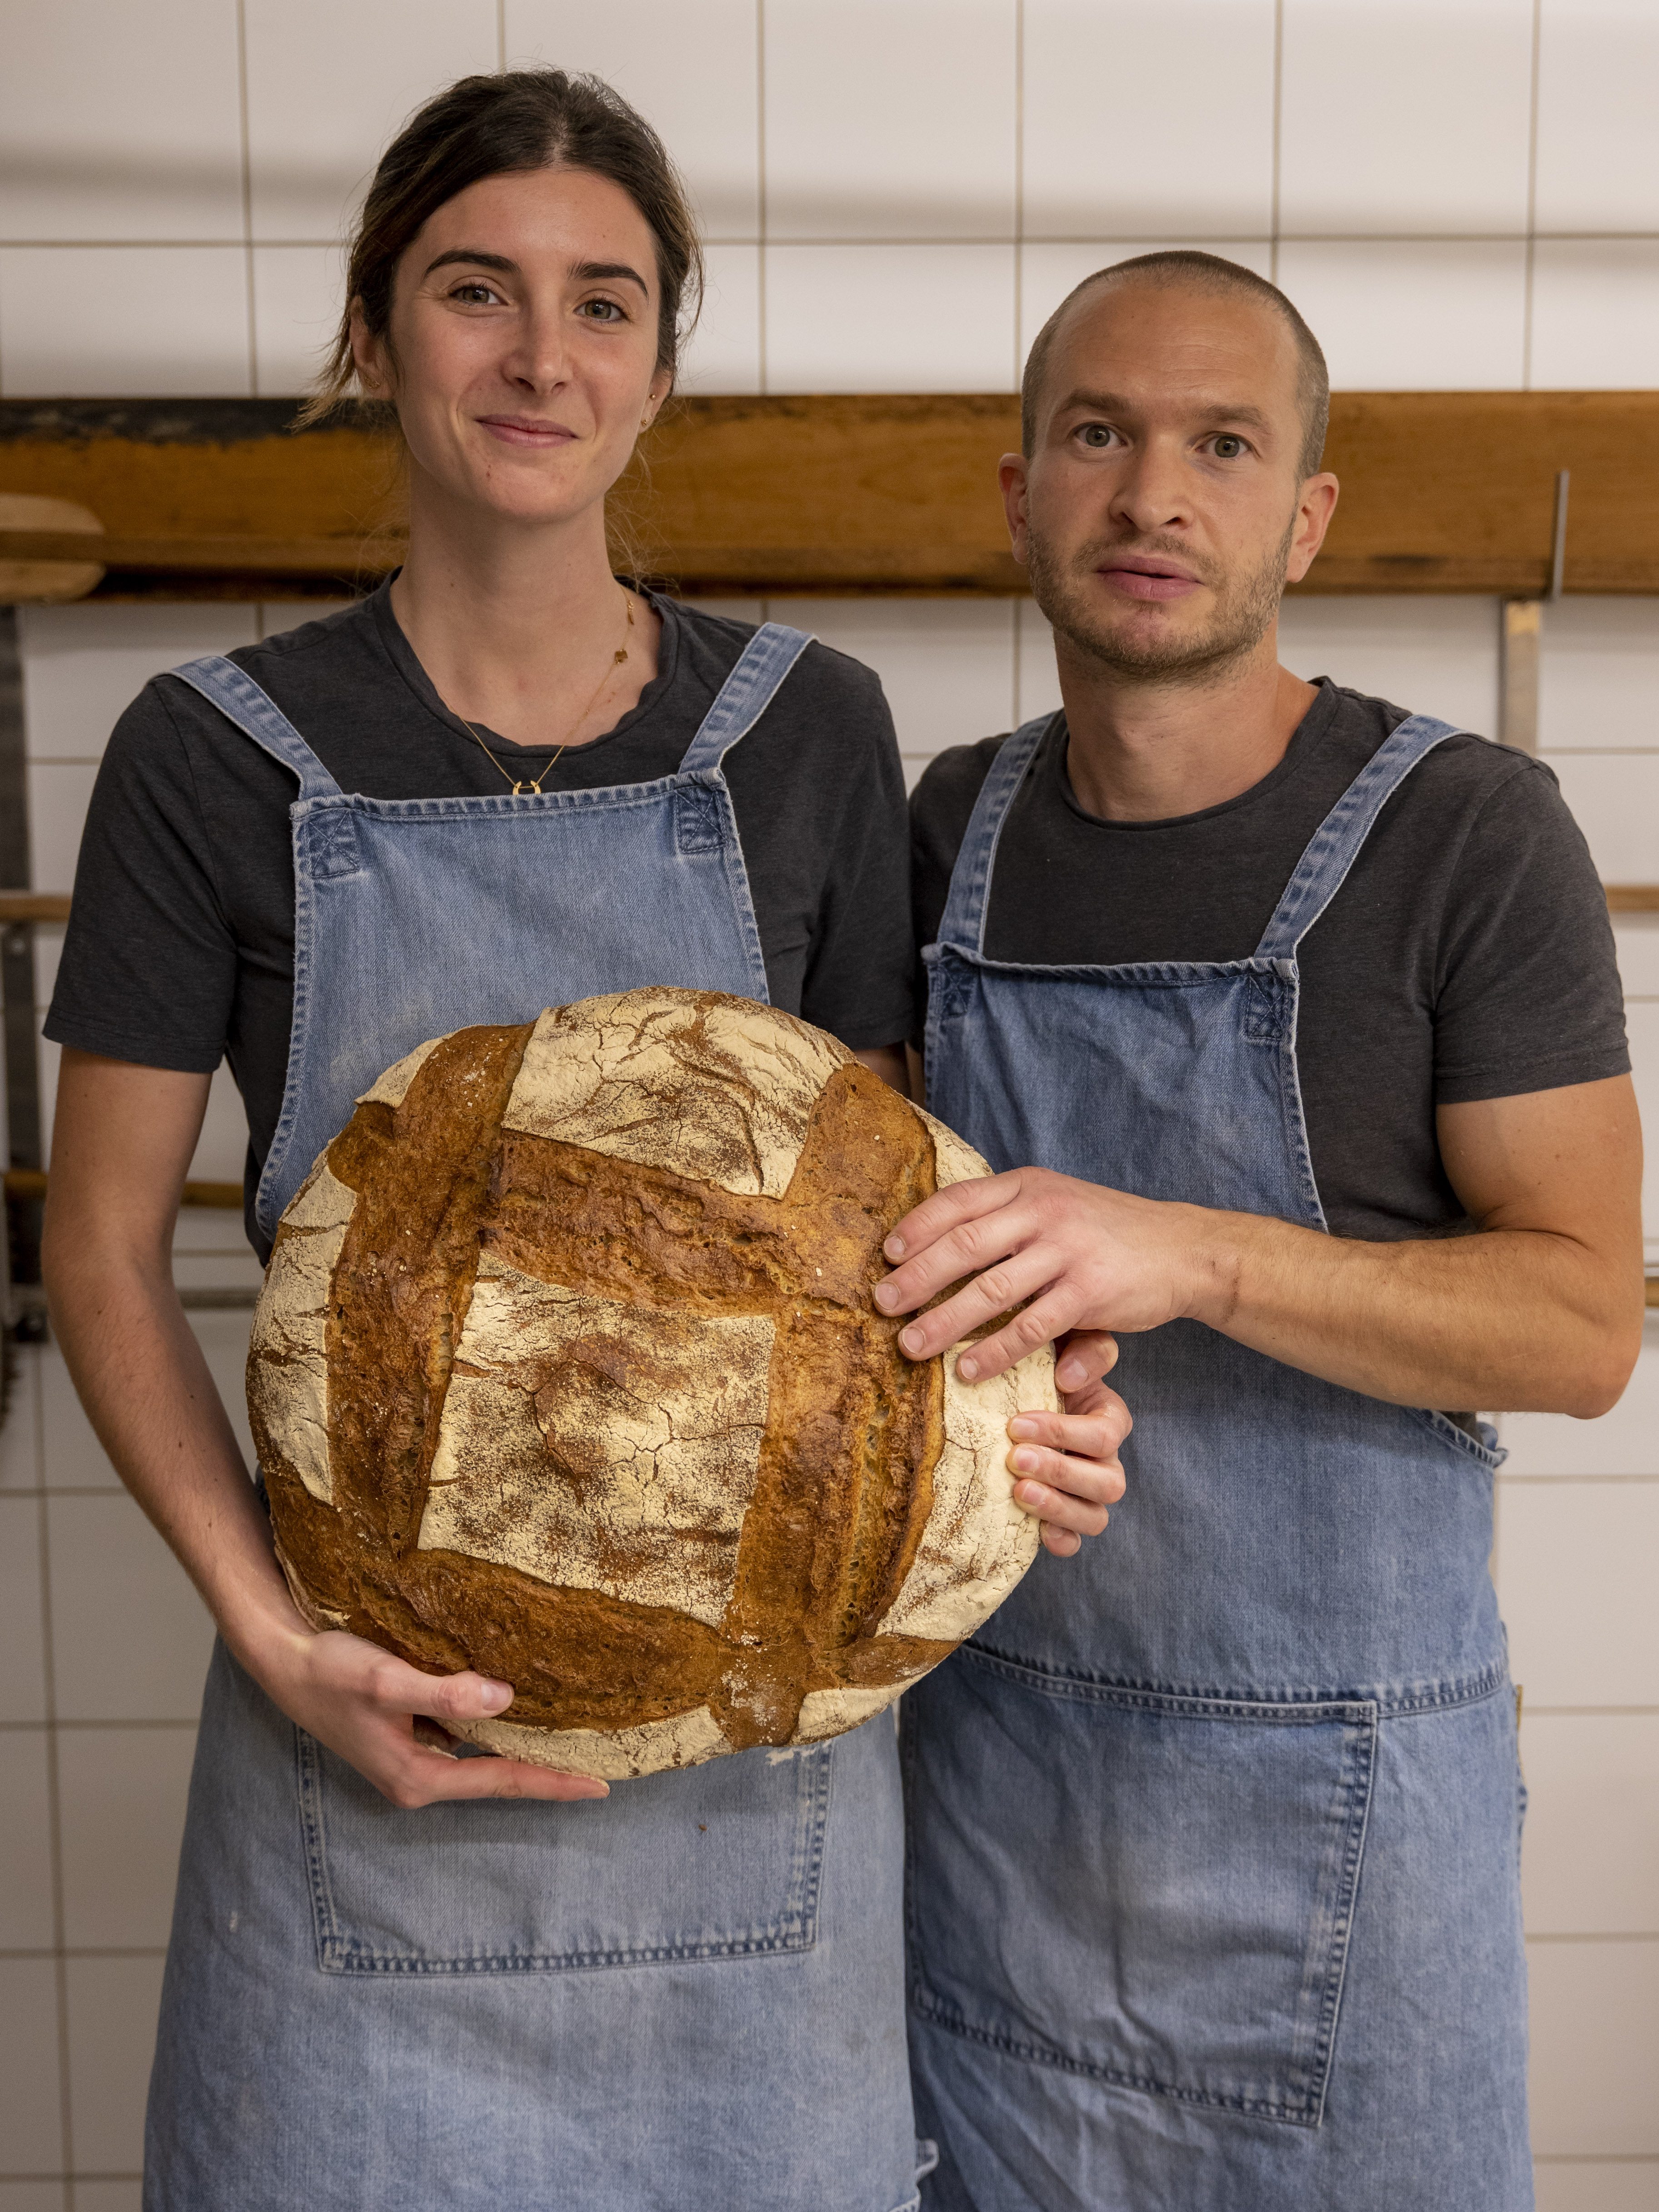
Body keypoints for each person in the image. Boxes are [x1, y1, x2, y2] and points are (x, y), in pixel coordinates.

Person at [40, 70, 1122, 2212]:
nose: (543, 357)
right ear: (371, 331)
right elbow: (98, 1248)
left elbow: (888, 1244)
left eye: (604, 303)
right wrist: (268, 1631)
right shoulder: (205, 754)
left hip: (759, 1829)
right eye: (476, 290)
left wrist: (1031, 1425)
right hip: (359, 1760)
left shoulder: (806, 730)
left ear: (658, 361)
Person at [878, 252, 1644, 2212]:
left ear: (1302, 514)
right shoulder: (933, 833)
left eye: (1223, 443)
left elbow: (1581, 1326)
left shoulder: (1467, 832)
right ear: (1021, 488)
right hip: (994, 1798)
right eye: (1099, 434)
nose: (1155, 495)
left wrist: (1192, 1252)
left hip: (1348, 1837)